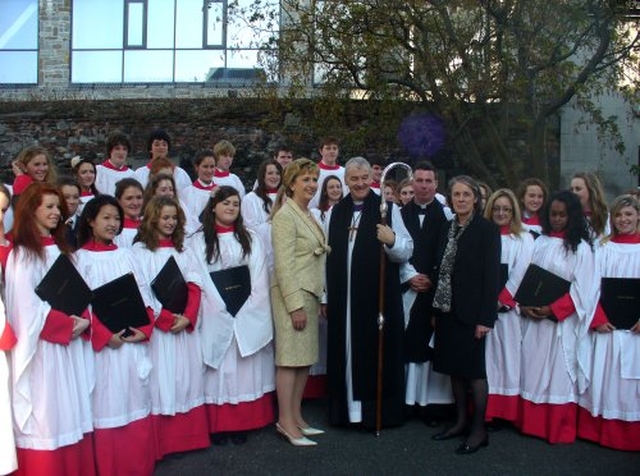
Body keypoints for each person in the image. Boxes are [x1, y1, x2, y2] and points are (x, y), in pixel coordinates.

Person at [6, 183, 95, 476]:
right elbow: (26, 308)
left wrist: (83, 318)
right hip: (44, 351)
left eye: (59, 207)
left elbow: (80, 291)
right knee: (47, 413)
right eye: (50, 207)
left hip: (69, 347)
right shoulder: (23, 255)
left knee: (69, 409)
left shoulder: (62, 249)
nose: (58, 212)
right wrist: (68, 324)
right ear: (31, 211)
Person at [325, 156, 413, 429]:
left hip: (376, 299)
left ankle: (374, 415)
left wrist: (392, 241)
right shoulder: (336, 212)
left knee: (373, 353)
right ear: (346, 181)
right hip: (342, 297)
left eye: (365, 178)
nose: (360, 183)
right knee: (345, 351)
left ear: (371, 180)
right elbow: (326, 256)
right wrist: (326, 296)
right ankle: (346, 414)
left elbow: (407, 250)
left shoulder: (387, 209)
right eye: (354, 179)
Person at [75, 195, 156, 475]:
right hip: (102, 350)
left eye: (116, 218)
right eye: (106, 218)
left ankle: (138, 466)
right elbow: (80, 308)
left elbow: (145, 296)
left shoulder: (127, 255)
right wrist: (103, 335)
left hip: (131, 344)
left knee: (135, 397)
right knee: (107, 402)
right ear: (90, 220)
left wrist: (144, 329)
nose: (113, 224)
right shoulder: (79, 259)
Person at [188, 186, 275, 445]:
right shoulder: (198, 240)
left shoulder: (250, 237)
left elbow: (259, 274)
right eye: (225, 203)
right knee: (220, 372)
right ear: (213, 206)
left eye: (235, 204)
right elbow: (198, 274)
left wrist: (246, 307)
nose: (231, 208)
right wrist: (219, 307)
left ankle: (242, 423)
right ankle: (219, 425)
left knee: (244, 369)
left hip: (247, 310)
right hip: (216, 311)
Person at [517, 190, 599, 444]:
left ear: (572, 216)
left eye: (562, 215)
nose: (557, 219)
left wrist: (554, 309)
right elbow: (525, 277)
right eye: (553, 214)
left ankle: (557, 426)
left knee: (559, 373)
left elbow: (585, 288)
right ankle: (530, 423)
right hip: (534, 321)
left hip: (561, 325)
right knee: (532, 367)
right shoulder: (539, 242)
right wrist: (526, 304)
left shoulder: (581, 249)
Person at [131, 196, 209, 459]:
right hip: (160, 330)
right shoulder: (139, 252)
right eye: (165, 217)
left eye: (174, 218)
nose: (170, 222)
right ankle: (164, 442)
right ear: (152, 218)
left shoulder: (184, 250)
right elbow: (141, 291)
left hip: (183, 327)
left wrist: (187, 316)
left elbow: (195, 283)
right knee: (161, 380)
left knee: (186, 378)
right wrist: (163, 319)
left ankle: (189, 438)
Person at [430, 175, 501, 455]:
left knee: (474, 372)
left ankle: (478, 429)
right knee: (454, 370)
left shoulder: (487, 230)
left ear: (475, 199)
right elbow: (441, 269)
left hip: (472, 312)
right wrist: (436, 309)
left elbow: (491, 276)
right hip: (447, 308)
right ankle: (460, 422)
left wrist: (486, 318)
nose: (461, 199)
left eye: (466, 195)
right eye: (456, 195)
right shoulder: (447, 227)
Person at [270, 158, 330, 446]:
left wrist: (320, 296)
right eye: (305, 179)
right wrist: (294, 304)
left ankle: (296, 416)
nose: (311, 184)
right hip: (291, 296)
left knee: (304, 360)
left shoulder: (307, 214)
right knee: (290, 360)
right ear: (291, 183)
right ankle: (285, 421)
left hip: (309, 293)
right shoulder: (285, 216)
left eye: (314, 179)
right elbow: (283, 265)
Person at [577, 194, 640, 451]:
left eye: (628, 214)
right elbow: (590, 288)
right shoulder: (602, 247)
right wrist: (597, 318)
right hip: (607, 328)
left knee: (630, 383)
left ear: (638, 215)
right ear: (612, 219)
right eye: (618, 215)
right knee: (605, 376)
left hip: (636, 331)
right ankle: (599, 430)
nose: (623, 219)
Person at [399, 161, 452, 421]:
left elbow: (448, 254)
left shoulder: (447, 216)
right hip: (407, 288)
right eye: (418, 180)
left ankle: (428, 404)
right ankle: (406, 402)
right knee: (408, 345)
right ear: (412, 184)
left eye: (428, 181)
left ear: (436, 184)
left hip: (433, 290)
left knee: (428, 348)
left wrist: (431, 278)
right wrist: (409, 276)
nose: (423, 185)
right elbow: (393, 250)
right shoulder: (399, 214)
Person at [483, 189, 534, 425]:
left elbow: (521, 272)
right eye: (496, 208)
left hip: (507, 310)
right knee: (486, 361)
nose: (501, 213)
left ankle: (505, 412)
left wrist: (502, 299)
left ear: (513, 211)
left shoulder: (524, 238)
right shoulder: (482, 233)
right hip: (482, 310)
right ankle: (485, 411)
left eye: (506, 209)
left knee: (507, 359)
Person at [242, 159, 282, 231]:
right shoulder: (250, 199)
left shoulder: (286, 197)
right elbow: (250, 228)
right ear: (262, 176)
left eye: (278, 173)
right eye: (270, 173)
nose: (274, 177)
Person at [309, 136, 347, 209]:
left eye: (334, 148)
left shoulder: (344, 172)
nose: (332, 151)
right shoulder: (313, 171)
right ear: (321, 151)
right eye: (328, 148)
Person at [95, 131, 136, 196]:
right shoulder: (98, 171)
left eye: (124, 149)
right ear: (110, 151)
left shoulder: (132, 175)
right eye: (117, 148)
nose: (121, 152)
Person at [181, 149, 217, 222]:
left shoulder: (221, 192)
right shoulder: (186, 193)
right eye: (205, 166)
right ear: (197, 167)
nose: (209, 171)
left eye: (212, 166)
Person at [570, 171, 609, 238]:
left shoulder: (607, 219)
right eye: (571, 189)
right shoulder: (568, 217)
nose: (573, 193)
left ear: (591, 191)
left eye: (578, 189)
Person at [114, 178, 144, 248]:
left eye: (139, 197)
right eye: (129, 198)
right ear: (118, 200)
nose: (135, 203)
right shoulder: (114, 229)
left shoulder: (149, 226)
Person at [58, 178, 82, 249]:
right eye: (66, 197)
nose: (72, 202)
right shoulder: (53, 225)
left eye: (75, 197)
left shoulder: (85, 225)